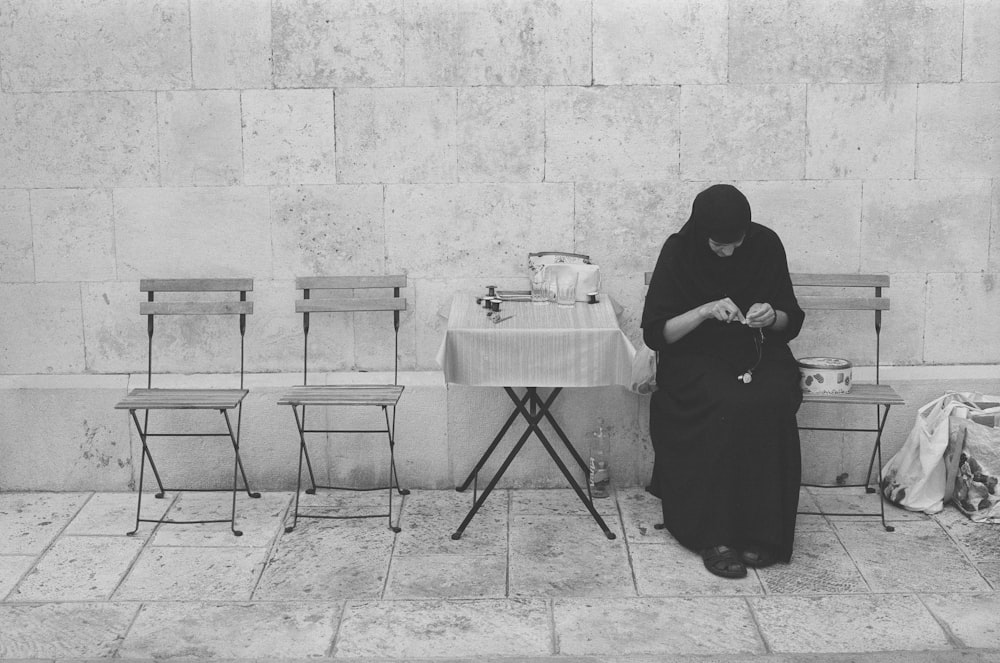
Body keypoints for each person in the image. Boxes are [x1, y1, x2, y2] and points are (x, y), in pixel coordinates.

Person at [641, 184, 805, 579]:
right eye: (719, 244)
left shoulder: (765, 244)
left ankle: (762, 531)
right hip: (693, 357)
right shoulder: (680, 251)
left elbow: (791, 320)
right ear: (701, 232)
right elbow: (656, 333)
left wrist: (772, 315)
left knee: (771, 397)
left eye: (736, 242)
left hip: (757, 351)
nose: (729, 252)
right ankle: (713, 534)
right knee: (724, 402)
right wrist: (704, 311)